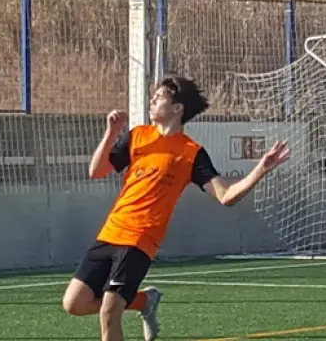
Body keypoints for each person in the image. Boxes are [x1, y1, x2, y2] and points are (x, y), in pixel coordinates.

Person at [62, 75, 291, 341]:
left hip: (140, 240)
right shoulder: (137, 136)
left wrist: (260, 169)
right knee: (74, 304)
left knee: (109, 312)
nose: (152, 100)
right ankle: (145, 301)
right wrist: (111, 133)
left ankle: (137, 302)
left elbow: (226, 196)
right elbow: (96, 171)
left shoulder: (191, 153)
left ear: (177, 108)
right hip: (110, 233)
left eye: (159, 97)